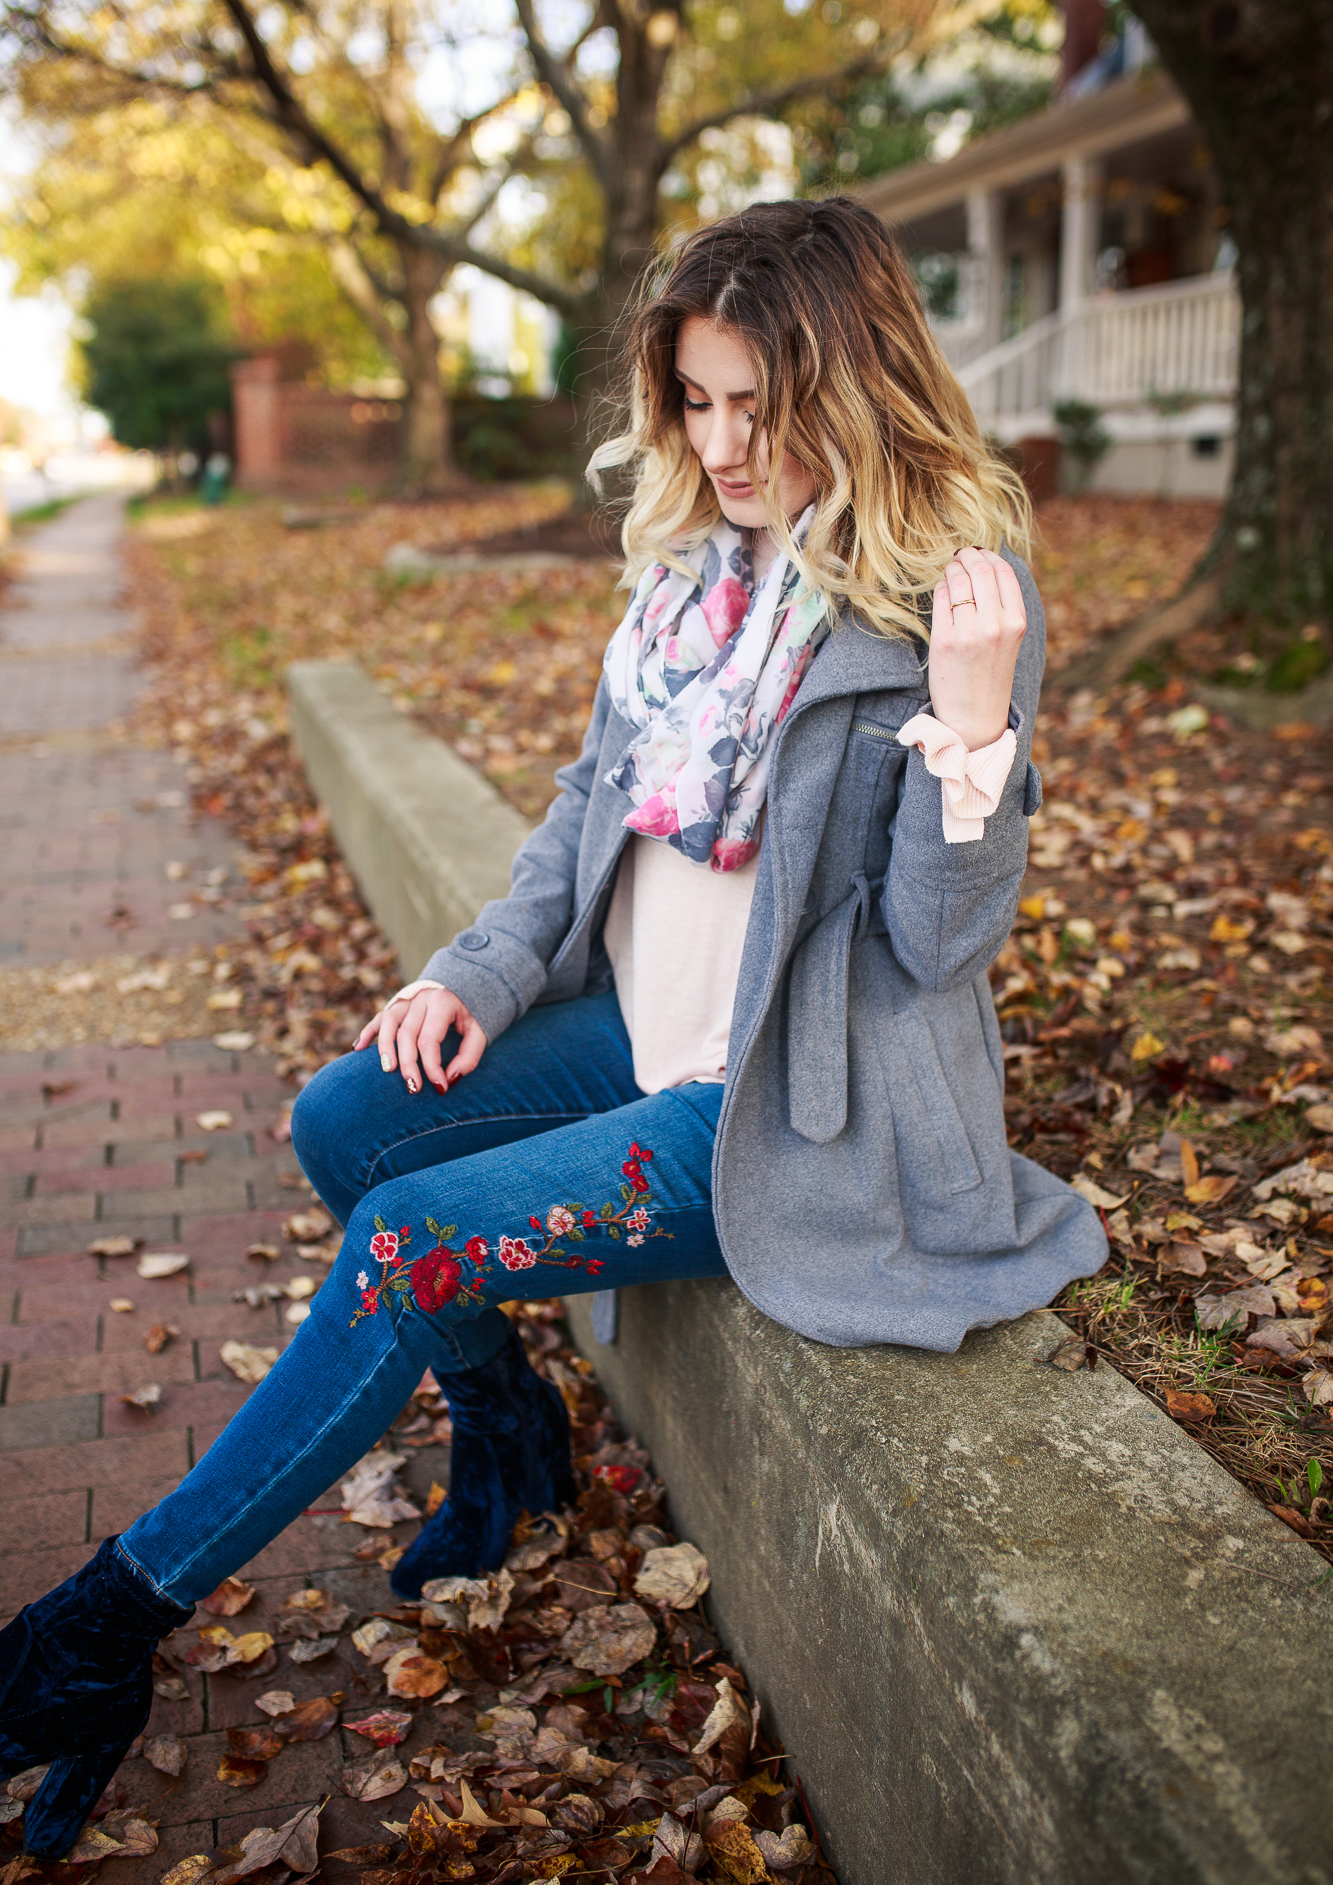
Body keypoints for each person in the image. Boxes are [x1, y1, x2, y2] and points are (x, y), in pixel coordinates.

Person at [0, 198, 1106, 1855]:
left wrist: (970, 738)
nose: (724, 446)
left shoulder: (950, 600)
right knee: (345, 1120)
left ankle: (98, 1635)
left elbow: (934, 951)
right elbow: (594, 806)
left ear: (854, 380)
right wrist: (470, 974)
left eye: (759, 405)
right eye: (699, 402)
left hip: (779, 1097)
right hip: (638, 1026)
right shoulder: (689, 573)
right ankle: (511, 1437)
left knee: (406, 1241)